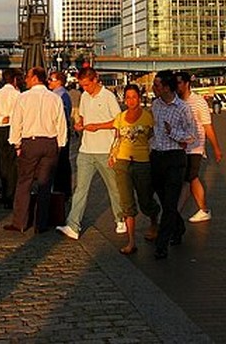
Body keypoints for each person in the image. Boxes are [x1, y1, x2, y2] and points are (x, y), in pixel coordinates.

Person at [57, 67, 125, 240]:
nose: (85, 88)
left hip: (105, 149)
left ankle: (120, 218)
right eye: (82, 85)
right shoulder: (85, 96)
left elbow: (118, 121)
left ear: (95, 80)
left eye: (87, 85)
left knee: (114, 188)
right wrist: (80, 124)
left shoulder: (108, 96)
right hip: (86, 149)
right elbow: (83, 117)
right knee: (80, 189)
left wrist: (99, 126)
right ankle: (73, 225)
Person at [5, 67, 68, 234]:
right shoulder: (55, 98)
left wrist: (16, 143)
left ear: (34, 78)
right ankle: (41, 223)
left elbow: (16, 122)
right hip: (50, 143)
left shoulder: (23, 98)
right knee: (45, 184)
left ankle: (20, 222)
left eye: (27, 76)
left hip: (30, 142)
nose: (25, 79)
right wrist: (60, 144)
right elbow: (61, 123)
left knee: (24, 182)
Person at [108, 85, 160, 255]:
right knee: (127, 202)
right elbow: (117, 138)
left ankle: (154, 220)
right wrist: (112, 154)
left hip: (142, 162)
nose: (131, 100)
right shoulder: (120, 117)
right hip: (122, 162)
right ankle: (131, 241)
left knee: (145, 200)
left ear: (139, 98)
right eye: (128, 97)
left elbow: (154, 138)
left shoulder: (148, 117)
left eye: (134, 97)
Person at [149, 71, 195, 260]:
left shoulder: (183, 108)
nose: (154, 88)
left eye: (157, 85)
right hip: (157, 157)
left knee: (170, 202)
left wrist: (173, 132)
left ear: (167, 87)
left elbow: (191, 136)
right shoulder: (155, 105)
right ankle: (178, 226)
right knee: (163, 198)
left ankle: (162, 243)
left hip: (175, 158)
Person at [176, 72, 220, 223]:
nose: (177, 86)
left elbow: (207, 126)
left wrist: (216, 148)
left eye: (180, 83)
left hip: (195, 147)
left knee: (189, 178)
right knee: (191, 179)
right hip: (179, 147)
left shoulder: (199, 102)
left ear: (187, 83)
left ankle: (175, 213)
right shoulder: (175, 101)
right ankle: (203, 209)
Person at [0, 68, 22, 208]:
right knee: (14, 163)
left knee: (3, 161)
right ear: (14, 79)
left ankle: (4, 191)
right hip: (13, 129)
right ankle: (11, 195)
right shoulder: (17, 94)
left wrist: (1, 118)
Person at [47, 71, 73, 195]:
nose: (49, 82)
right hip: (62, 129)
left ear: (59, 81)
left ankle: (61, 189)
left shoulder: (60, 95)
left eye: (51, 79)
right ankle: (62, 188)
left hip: (60, 130)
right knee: (62, 160)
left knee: (61, 160)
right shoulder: (62, 94)